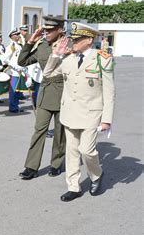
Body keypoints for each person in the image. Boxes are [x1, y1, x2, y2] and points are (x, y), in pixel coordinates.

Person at [44, 22, 115, 202]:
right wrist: (56, 55)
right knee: (72, 151)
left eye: (78, 39)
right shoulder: (68, 59)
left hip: (92, 113)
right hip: (70, 112)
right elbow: (47, 74)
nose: (72, 42)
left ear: (89, 40)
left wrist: (107, 119)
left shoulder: (102, 58)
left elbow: (109, 91)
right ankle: (73, 186)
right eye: (73, 38)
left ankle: (96, 174)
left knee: (87, 151)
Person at [17, 16, 66, 179]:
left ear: (59, 30)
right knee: (39, 130)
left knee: (60, 133)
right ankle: (31, 166)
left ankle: (56, 163)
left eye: (50, 30)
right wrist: (30, 42)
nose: (46, 33)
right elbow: (22, 61)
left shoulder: (69, 45)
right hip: (45, 94)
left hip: (63, 93)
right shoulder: (42, 46)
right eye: (45, 29)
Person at [3, 28, 26, 113]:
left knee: (17, 90)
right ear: (12, 36)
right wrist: (15, 66)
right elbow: (5, 59)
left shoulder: (19, 45)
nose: (18, 36)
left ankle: (16, 106)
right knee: (13, 90)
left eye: (18, 34)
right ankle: (12, 107)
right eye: (16, 35)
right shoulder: (11, 46)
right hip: (14, 71)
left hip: (20, 70)